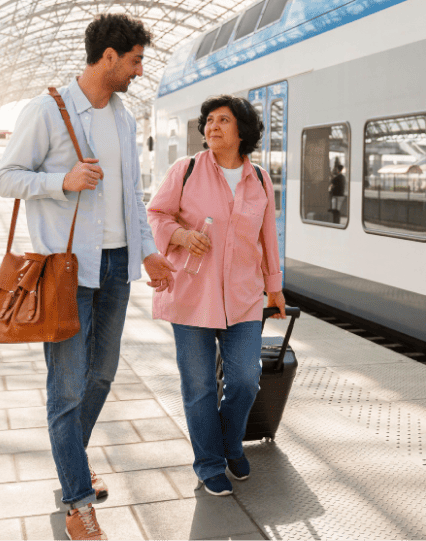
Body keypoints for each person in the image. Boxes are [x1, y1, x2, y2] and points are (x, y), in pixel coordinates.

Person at [0, 13, 174, 541]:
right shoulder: (47, 111)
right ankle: (77, 498)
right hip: (67, 270)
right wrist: (62, 181)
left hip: (117, 267)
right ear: (110, 56)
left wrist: (147, 253)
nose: (140, 71)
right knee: (67, 388)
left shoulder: (123, 118)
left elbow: (133, 199)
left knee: (100, 377)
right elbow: (7, 178)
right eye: (136, 60)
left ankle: (69, 462)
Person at [147, 95, 286, 498]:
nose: (212, 127)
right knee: (200, 386)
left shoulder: (259, 179)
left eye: (223, 120)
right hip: (192, 295)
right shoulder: (186, 170)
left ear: (242, 130)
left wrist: (274, 288)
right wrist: (181, 235)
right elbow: (156, 214)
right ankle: (210, 463)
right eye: (208, 121)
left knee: (245, 379)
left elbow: (267, 237)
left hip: (243, 297)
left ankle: (229, 444)